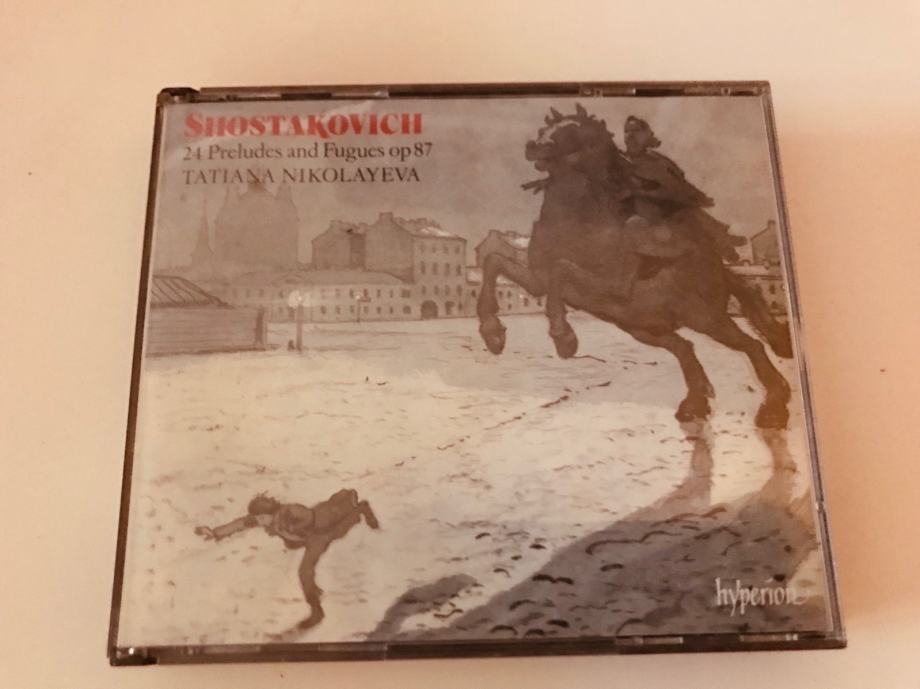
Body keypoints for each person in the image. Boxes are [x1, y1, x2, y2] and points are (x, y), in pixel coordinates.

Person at [195, 488, 380, 634]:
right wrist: (215, 533)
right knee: (304, 570)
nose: (259, 522)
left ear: (271, 512)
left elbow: (309, 516)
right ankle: (315, 599)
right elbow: (241, 523)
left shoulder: (291, 511)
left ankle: (360, 507)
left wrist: (290, 526)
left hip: (320, 533)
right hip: (303, 537)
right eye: (258, 519)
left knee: (342, 525)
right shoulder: (264, 519)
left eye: (262, 518)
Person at [620, 116, 745, 262]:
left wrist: (697, 196)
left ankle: (722, 242)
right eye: (627, 131)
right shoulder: (619, 159)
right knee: (685, 215)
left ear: (646, 134)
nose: (630, 135)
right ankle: (722, 242)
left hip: (666, 205)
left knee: (691, 213)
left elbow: (678, 182)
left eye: (636, 131)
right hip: (639, 208)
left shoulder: (657, 160)